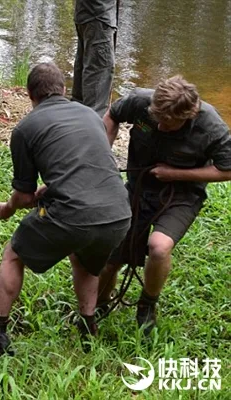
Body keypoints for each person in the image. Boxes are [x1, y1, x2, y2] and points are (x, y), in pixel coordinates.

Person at [0, 62, 132, 356]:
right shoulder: (91, 115)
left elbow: (24, 198)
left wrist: (8, 209)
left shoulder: (25, 129)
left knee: (14, 255)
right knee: (87, 261)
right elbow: (84, 165)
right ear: (64, 90)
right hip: (119, 212)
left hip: (73, 214)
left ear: (30, 95)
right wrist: (50, 189)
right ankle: (88, 326)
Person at [96, 75, 231, 335]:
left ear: (188, 116)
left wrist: (177, 174)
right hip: (137, 190)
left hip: (180, 196)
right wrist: (105, 154)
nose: (159, 125)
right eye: (156, 118)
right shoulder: (140, 101)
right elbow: (112, 115)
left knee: (158, 247)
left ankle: (147, 304)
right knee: (112, 254)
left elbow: (227, 169)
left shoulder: (210, 125)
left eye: (167, 122)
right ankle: (100, 303)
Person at [72, 0, 118, 117]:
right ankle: (90, 127)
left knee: (84, 68)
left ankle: (75, 120)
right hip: (98, 17)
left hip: (85, 15)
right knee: (99, 75)